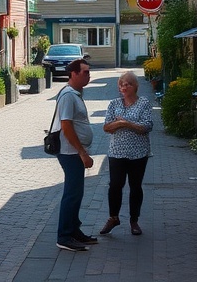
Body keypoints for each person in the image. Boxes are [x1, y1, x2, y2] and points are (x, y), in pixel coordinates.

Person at [99, 72, 153, 236]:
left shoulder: (143, 103)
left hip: (138, 152)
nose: (124, 87)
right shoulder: (114, 104)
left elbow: (146, 126)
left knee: (135, 186)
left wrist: (124, 123)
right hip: (117, 152)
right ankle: (113, 217)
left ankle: (134, 220)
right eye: (121, 85)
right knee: (115, 185)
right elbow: (106, 127)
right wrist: (122, 124)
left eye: (127, 84)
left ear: (135, 86)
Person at [54, 59, 96, 252]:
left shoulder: (76, 94)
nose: (89, 75)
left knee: (76, 193)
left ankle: (73, 230)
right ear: (74, 74)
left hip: (75, 152)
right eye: (85, 72)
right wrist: (81, 152)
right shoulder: (68, 96)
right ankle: (64, 236)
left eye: (89, 72)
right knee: (72, 194)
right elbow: (66, 125)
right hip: (70, 152)